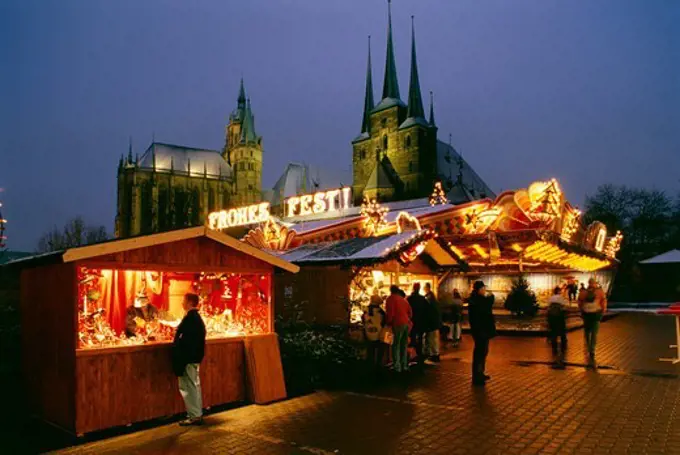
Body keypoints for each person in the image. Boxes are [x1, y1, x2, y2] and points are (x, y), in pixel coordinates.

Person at [172, 293, 207, 426]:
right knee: (194, 385)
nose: (182, 303)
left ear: (190, 302)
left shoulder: (190, 318)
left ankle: (194, 416)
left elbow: (185, 339)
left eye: (183, 300)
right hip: (194, 357)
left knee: (188, 386)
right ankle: (196, 413)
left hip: (187, 358)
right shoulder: (196, 318)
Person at [467, 281, 496, 386]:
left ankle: (480, 373)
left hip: (481, 330)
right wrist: (491, 297)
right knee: (480, 353)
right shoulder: (477, 301)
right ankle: (477, 376)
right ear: (479, 289)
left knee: (482, 352)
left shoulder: (476, 300)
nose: (485, 291)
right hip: (480, 331)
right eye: (483, 289)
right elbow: (486, 306)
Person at [578, 278, 607, 369]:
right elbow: (604, 302)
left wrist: (582, 310)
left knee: (587, 331)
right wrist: (603, 311)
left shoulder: (583, 292)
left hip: (586, 314)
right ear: (595, 283)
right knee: (594, 332)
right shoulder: (600, 292)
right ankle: (592, 349)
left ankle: (587, 345)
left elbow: (579, 302)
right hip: (596, 314)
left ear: (588, 283)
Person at [385, 285, 412, 373]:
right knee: (404, 345)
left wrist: (388, 322)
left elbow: (391, 313)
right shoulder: (403, 300)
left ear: (391, 291)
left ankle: (397, 366)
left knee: (396, 345)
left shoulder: (390, 299)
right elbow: (410, 313)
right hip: (406, 324)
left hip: (397, 323)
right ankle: (404, 365)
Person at [363, 292, 386, 371]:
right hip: (379, 333)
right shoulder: (380, 311)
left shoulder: (366, 310)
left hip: (368, 333)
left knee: (370, 350)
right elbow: (384, 322)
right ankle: (379, 365)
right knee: (380, 349)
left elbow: (363, 320)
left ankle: (370, 365)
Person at [407, 283, 428, 365]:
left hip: (412, 321)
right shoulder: (422, 299)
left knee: (412, 337)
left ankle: (413, 354)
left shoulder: (409, 299)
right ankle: (419, 354)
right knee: (420, 339)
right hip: (421, 321)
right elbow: (426, 311)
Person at [547, 286, 568, 368]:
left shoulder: (551, 298)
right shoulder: (561, 298)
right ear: (559, 291)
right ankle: (563, 344)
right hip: (560, 317)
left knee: (553, 332)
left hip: (552, 317)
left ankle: (554, 345)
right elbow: (565, 306)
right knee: (562, 331)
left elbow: (548, 307)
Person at [423, 283, 442, 362]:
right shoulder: (433, 298)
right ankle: (435, 354)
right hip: (436, 322)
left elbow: (428, 312)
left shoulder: (428, 299)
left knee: (431, 339)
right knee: (434, 339)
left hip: (431, 323)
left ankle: (433, 355)